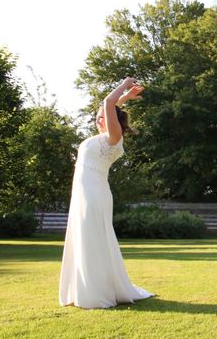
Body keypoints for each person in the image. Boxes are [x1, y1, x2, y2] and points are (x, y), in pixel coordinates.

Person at [59, 77, 154, 309]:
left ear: (111, 121)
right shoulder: (102, 137)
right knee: (85, 238)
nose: (97, 118)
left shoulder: (114, 138)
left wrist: (124, 85)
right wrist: (126, 98)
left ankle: (96, 293)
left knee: (93, 239)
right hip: (83, 194)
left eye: (101, 116)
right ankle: (84, 289)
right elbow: (109, 106)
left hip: (94, 193)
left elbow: (108, 103)